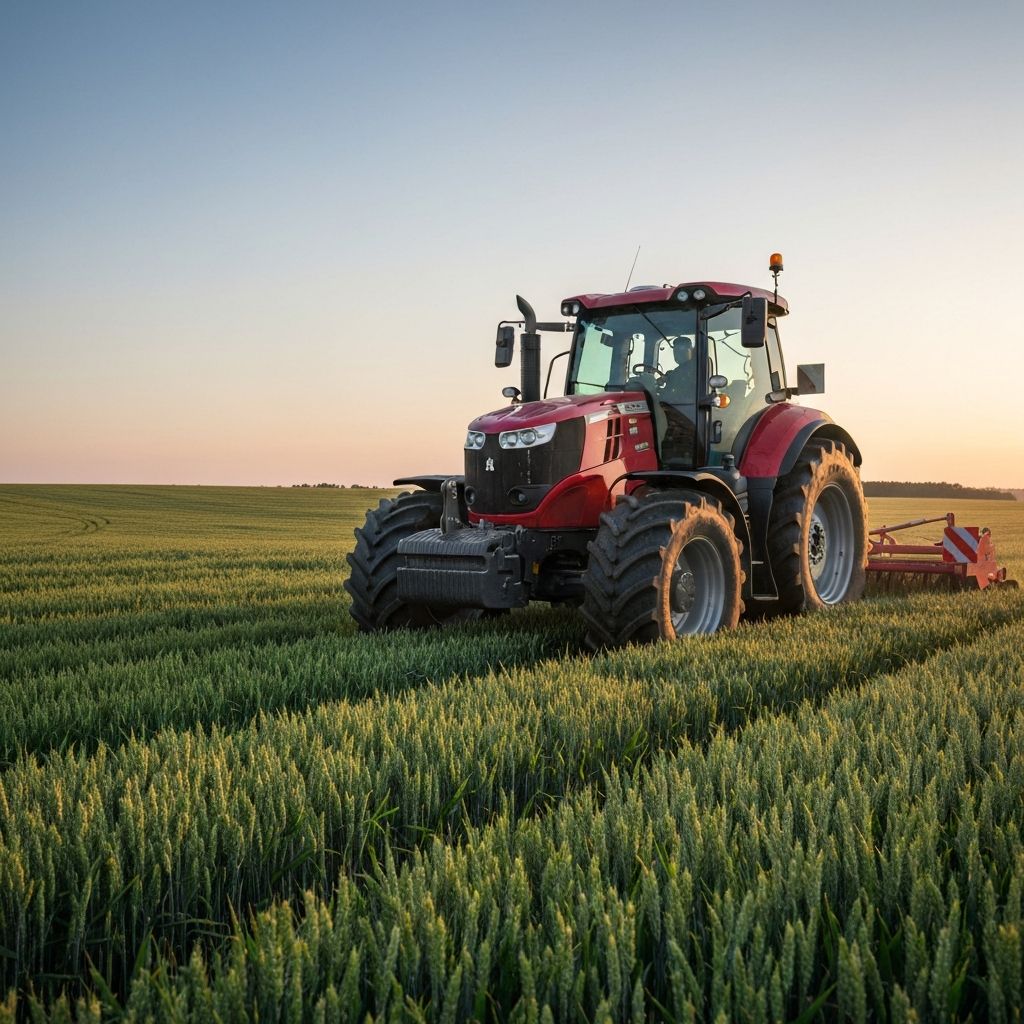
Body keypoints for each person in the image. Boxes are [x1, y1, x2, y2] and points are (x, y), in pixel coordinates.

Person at [660, 335, 696, 402]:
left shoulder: (693, 369)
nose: (677, 353)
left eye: (681, 349)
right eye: (675, 350)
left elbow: (677, 394)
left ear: (690, 350)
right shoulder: (676, 371)